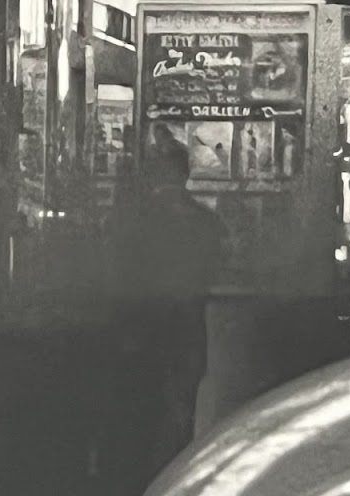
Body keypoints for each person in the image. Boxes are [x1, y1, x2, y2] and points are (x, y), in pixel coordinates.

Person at [104, 143, 225, 493]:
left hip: (144, 327)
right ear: (186, 174)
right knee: (181, 410)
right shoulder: (206, 221)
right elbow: (217, 267)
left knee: (140, 413)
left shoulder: (135, 222)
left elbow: (119, 273)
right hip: (187, 327)